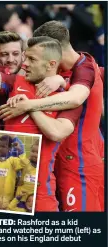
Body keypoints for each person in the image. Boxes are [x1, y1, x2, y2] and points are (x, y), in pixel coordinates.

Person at [0, 7, 83, 211]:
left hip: (40, 197)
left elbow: (56, 132)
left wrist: (29, 107)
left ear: (51, 65)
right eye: (25, 57)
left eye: (30, 59)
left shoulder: (68, 98)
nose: (23, 63)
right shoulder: (15, 82)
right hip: (5, 197)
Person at [30, 21, 104, 212]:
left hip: (79, 167)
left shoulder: (85, 67)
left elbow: (75, 98)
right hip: (65, 163)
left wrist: (29, 106)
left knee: (82, 234)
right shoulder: (67, 70)